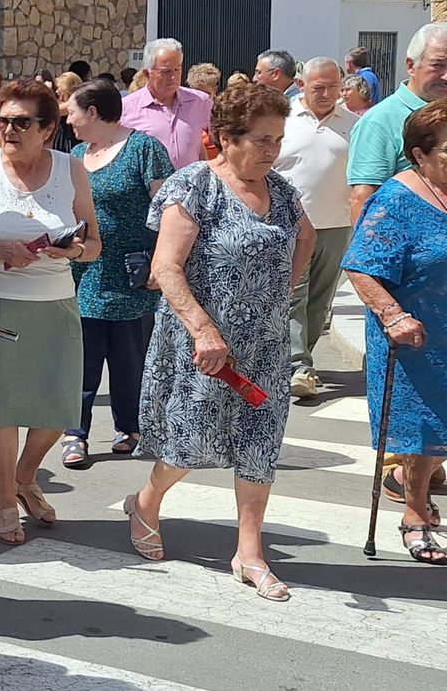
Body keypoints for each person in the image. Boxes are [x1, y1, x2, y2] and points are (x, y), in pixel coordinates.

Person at [128, 84, 314, 598]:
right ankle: (145, 501)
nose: (272, 150)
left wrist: (280, 291)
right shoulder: (194, 187)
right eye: (261, 139)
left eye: (278, 139)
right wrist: (204, 329)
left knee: (259, 446)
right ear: (225, 139)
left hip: (265, 345)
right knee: (189, 443)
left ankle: (249, 552)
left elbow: (307, 238)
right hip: (203, 346)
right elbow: (166, 267)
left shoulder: (281, 191)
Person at [0, 80, 101, 544]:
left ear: (49, 128)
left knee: (58, 407)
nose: (9, 129)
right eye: (3, 121)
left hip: (55, 301)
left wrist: (73, 252)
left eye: (22, 122)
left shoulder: (71, 169)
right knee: (3, 410)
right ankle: (5, 500)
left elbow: (95, 245)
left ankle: (25, 476)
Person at [342, 100, 447, 562]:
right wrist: (392, 315)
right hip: (415, 333)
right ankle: (415, 512)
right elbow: (361, 266)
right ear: (420, 155)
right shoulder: (395, 200)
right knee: (423, 428)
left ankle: (408, 481)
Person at [60, 79, 173, 468]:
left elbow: (169, 208)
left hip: (131, 272)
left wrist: (163, 260)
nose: (68, 119)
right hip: (85, 271)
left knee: (129, 357)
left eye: (72, 111)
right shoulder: (76, 154)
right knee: (83, 357)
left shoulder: (144, 150)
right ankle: (75, 433)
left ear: (93, 113)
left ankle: (130, 427)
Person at [271, 58, 360, 401]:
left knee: (320, 303)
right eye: (317, 87)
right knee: (294, 294)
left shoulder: (354, 124)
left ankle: (300, 360)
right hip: (290, 224)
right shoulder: (284, 119)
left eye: (332, 87)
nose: (325, 94)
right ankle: (298, 366)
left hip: (337, 224)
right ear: (301, 84)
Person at [348, 23, 447, 223]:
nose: (446, 76)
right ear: (411, 66)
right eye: (438, 65)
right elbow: (363, 198)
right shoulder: (380, 121)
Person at [121, 38, 212, 168]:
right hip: (149, 187)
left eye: (177, 70)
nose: (173, 77)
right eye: (165, 72)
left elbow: (226, 139)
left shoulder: (200, 102)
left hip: (191, 187)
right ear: (147, 73)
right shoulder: (126, 109)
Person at [51, 72, 82, 153]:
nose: (57, 92)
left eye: (59, 88)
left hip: (72, 141)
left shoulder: (76, 102)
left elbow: (53, 110)